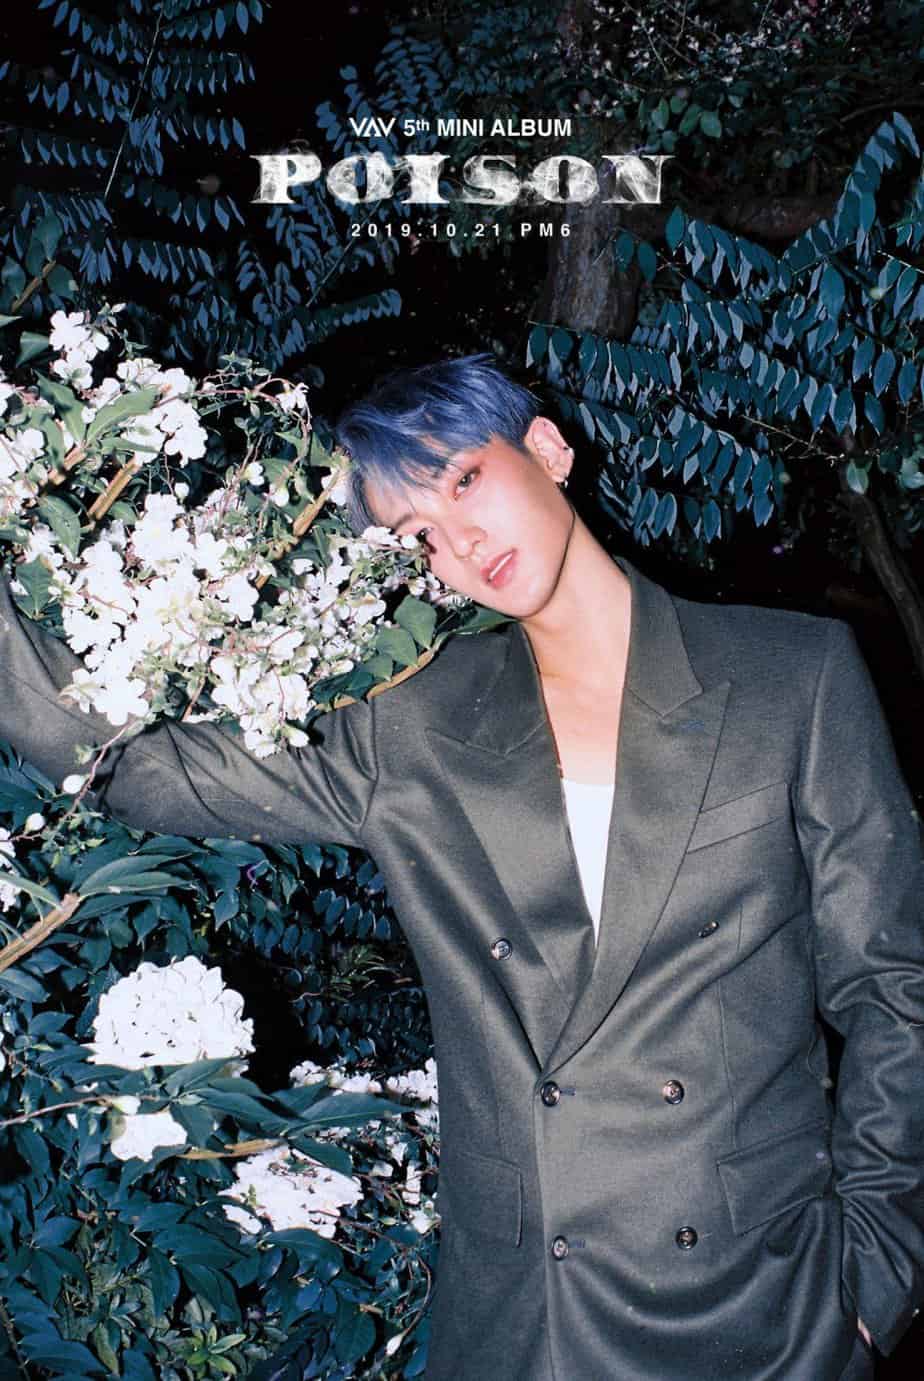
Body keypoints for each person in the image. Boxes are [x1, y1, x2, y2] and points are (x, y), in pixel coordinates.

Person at [0, 354, 922, 1380]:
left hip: (767, 1310)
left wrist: (877, 1271)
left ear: (547, 449)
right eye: (418, 535)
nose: (461, 542)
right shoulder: (413, 727)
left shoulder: (791, 676)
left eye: (466, 480)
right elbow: (133, 764)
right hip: (529, 1319)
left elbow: (898, 986)